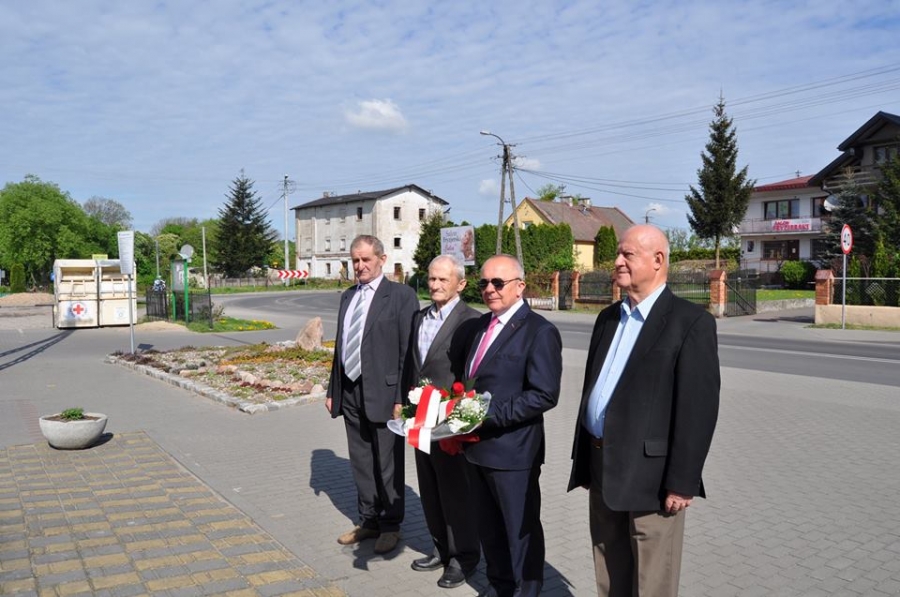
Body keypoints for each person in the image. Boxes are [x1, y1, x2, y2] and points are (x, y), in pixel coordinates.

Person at [567, 224, 720, 597]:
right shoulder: (608, 318)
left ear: (658, 260)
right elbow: (595, 389)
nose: (617, 261)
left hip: (652, 479)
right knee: (609, 572)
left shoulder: (690, 322)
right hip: (602, 466)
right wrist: (584, 460)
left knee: (652, 582)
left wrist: (682, 481)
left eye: (627, 254)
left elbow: (698, 409)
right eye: (618, 253)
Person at [462, 254, 563, 597]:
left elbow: (544, 395)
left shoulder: (539, 331)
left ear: (520, 287)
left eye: (498, 282)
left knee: (520, 532)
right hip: (476, 449)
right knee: (489, 529)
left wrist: (487, 416)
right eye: (484, 283)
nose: (489, 289)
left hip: (513, 453)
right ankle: (500, 585)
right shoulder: (481, 326)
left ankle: (526, 591)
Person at [326, 234, 419, 555]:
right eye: (355, 260)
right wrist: (333, 390)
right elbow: (341, 346)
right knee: (361, 461)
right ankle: (369, 520)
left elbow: (408, 350)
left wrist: (402, 398)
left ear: (381, 259)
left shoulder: (401, 296)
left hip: (386, 393)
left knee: (387, 463)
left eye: (366, 259)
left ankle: (391, 525)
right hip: (351, 391)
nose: (360, 266)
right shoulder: (348, 296)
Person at [404, 254, 482, 589]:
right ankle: (440, 548)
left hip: (450, 423)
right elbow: (413, 364)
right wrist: (402, 405)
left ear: (460, 284)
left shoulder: (472, 321)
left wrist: (463, 418)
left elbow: (474, 374)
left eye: (442, 280)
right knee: (430, 486)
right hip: (420, 419)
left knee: (456, 491)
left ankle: (464, 557)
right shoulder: (419, 317)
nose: (435, 285)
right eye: (431, 278)